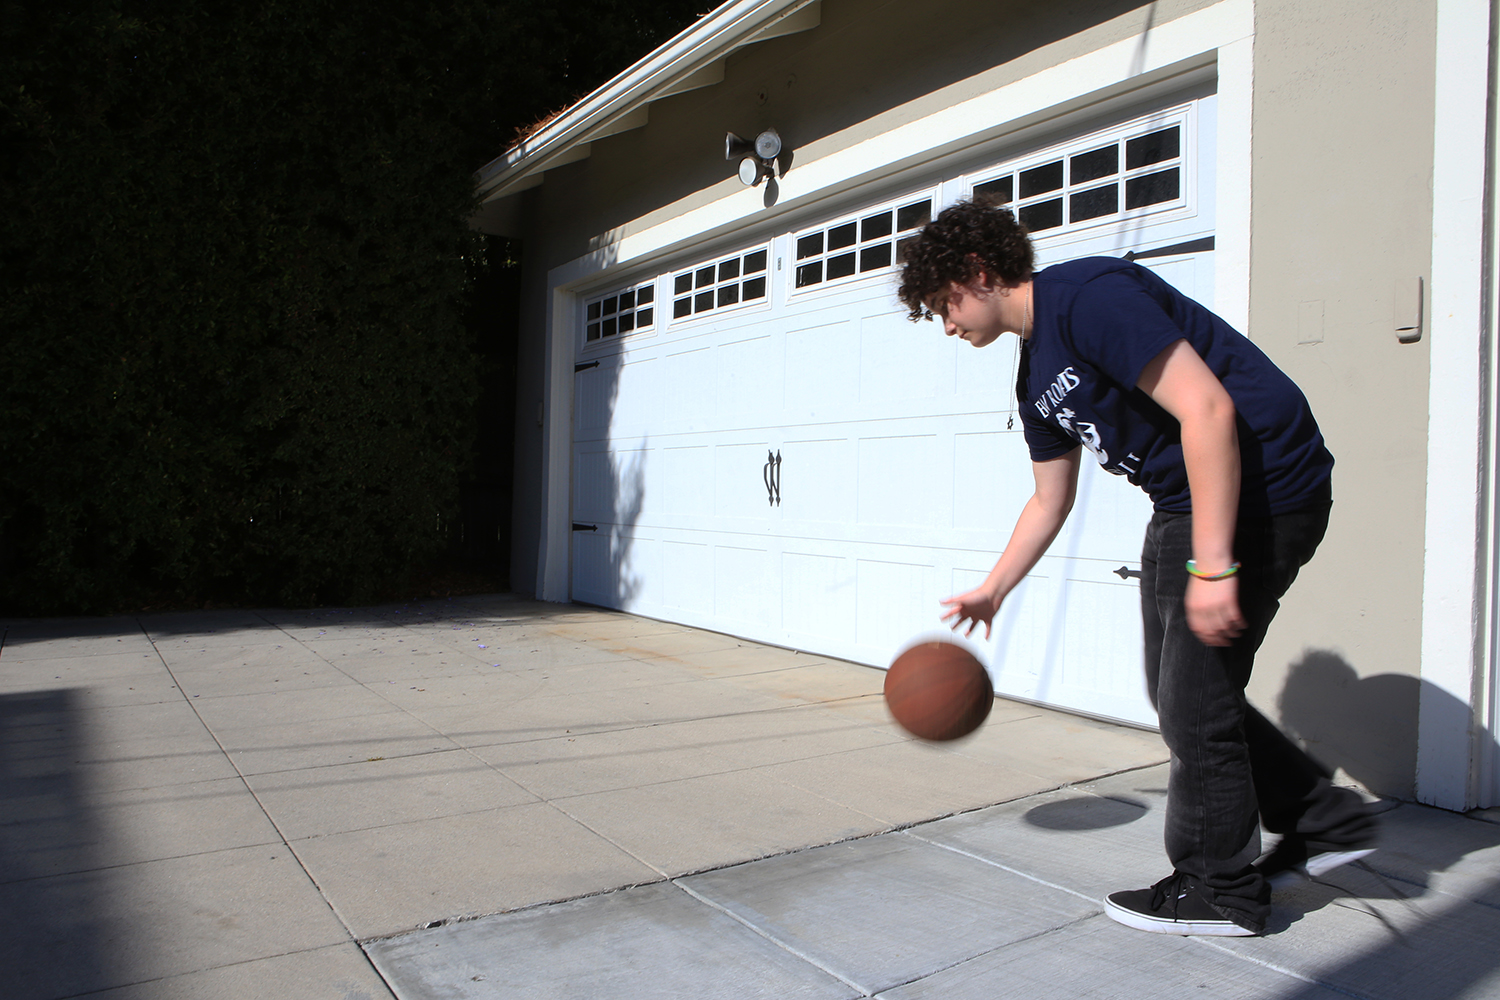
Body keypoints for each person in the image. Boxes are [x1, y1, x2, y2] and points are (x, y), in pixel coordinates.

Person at [896, 199, 1377, 937]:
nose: (947, 324)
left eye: (943, 305)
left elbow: (1208, 410)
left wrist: (1215, 565)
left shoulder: (1087, 298)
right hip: (1182, 503)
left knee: (1195, 702)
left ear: (977, 272)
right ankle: (1322, 816)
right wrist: (994, 590)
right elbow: (1047, 501)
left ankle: (1220, 888)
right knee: (1177, 688)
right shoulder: (1034, 383)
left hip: (1266, 488)